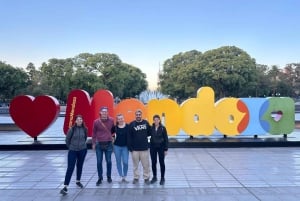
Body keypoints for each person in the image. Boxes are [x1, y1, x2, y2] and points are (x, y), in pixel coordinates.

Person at [60, 114, 88, 195]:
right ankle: (65, 186)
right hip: (73, 150)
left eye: (81, 119)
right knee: (70, 167)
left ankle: (78, 181)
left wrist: (82, 146)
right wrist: (71, 147)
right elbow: (67, 140)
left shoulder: (85, 129)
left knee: (80, 165)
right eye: (78, 119)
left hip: (82, 150)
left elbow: (85, 138)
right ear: (75, 121)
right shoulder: (71, 129)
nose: (80, 121)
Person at [128, 109, 151, 184]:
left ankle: (146, 178)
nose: (138, 116)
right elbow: (129, 136)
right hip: (135, 149)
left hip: (144, 148)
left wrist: (148, 144)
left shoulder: (146, 123)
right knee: (135, 165)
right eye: (137, 115)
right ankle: (136, 178)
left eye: (139, 114)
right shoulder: (131, 124)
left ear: (141, 115)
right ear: (135, 115)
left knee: (146, 165)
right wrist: (130, 148)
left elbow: (150, 133)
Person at [92, 106, 115, 185]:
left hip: (108, 144)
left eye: (106, 112)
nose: (104, 113)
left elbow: (114, 130)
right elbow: (94, 133)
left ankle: (109, 176)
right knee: (99, 162)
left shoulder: (112, 120)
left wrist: (113, 138)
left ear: (107, 113)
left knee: (109, 161)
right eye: (103, 112)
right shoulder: (96, 122)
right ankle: (100, 177)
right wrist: (93, 143)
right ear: (100, 113)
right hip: (99, 144)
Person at [149, 114, 169, 185]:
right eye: (155, 120)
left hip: (161, 147)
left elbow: (166, 139)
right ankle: (154, 177)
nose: (156, 121)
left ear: (159, 120)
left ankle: (162, 178)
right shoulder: (151, 128)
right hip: (153, 147)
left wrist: (166, 149)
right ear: (153, 121)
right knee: (153, 162)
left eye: (157, 120)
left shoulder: (163, 128)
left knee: (162, 163)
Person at [112, 113, 129, 183]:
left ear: (123, 118)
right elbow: (111, 135)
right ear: (117, 120)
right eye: (119, 119)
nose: (120, 120)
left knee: (125, 162)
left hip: (125, 147)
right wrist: (112, 140)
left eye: (121, 118)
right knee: (118, 161)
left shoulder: (128, 126)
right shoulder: (114, 127)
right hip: (117, 147)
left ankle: (125, 176)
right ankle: (120, 176)